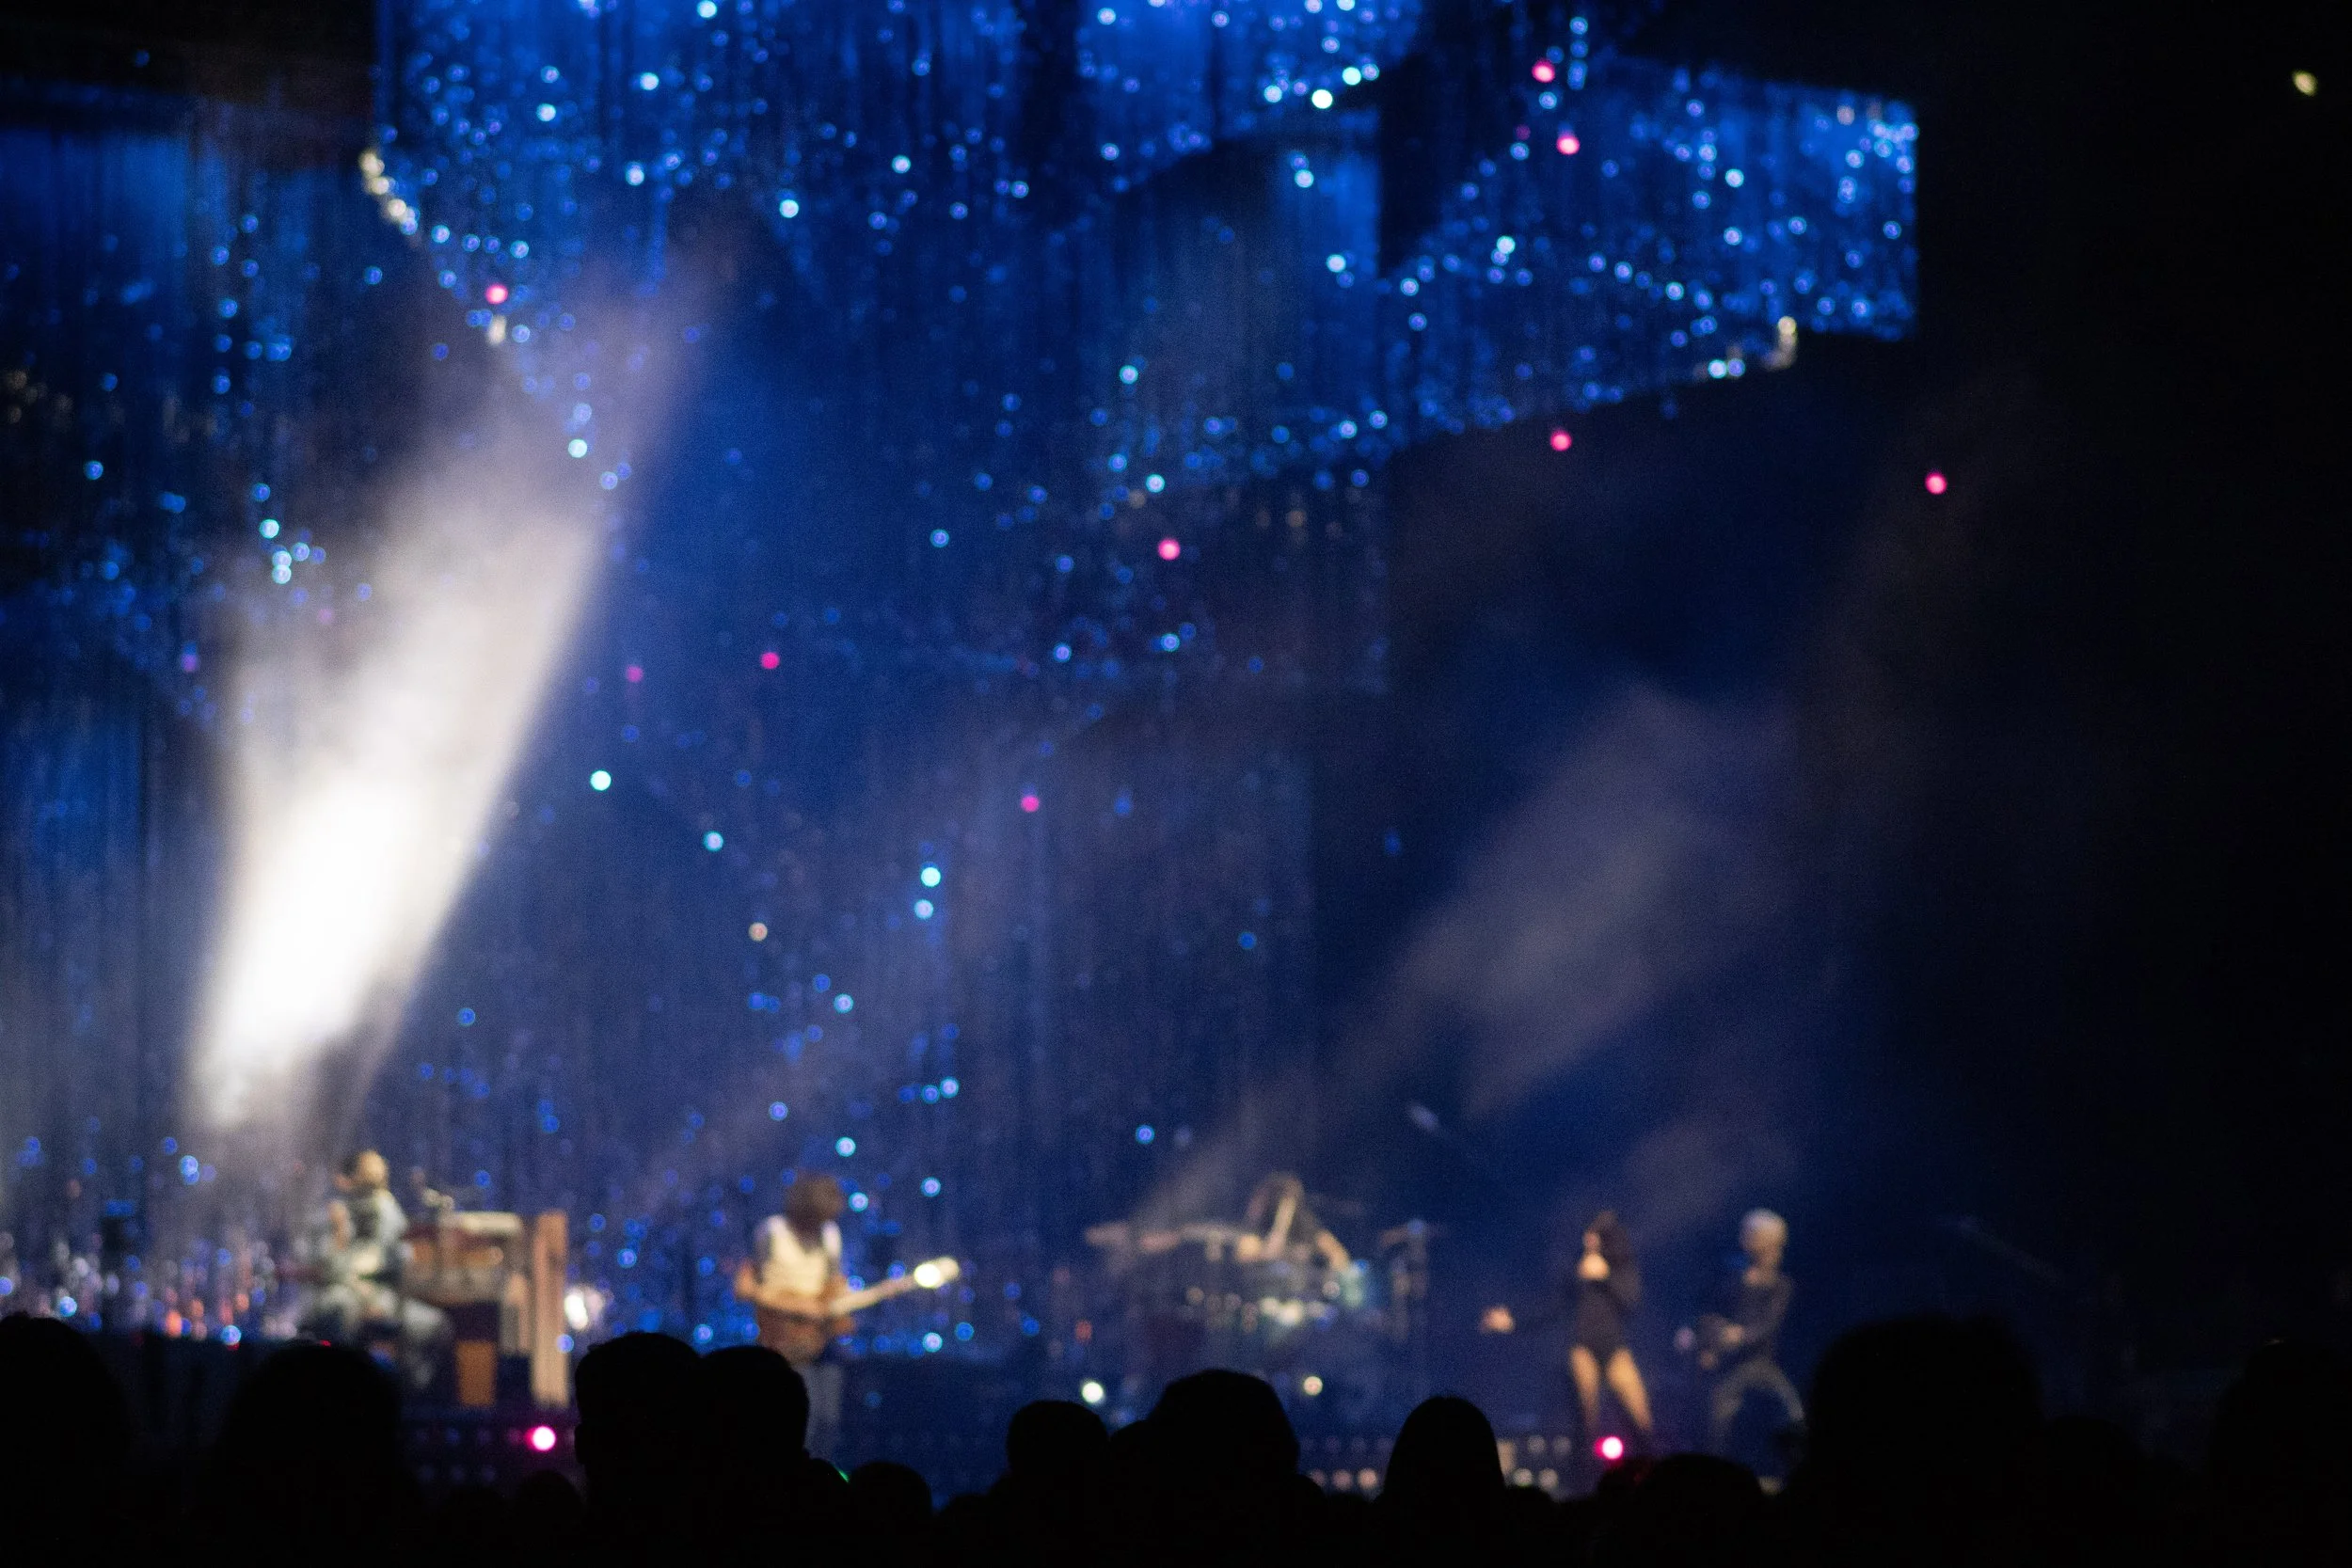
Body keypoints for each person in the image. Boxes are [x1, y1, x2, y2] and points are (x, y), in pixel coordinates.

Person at [1481, 1210, 1654, 1444]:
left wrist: (1605, 1276)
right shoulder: (1576, 1269)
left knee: (1641, 1420)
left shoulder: (1623, 1265)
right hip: (1583, 1349)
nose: (1588, 1240)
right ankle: (1585, 1475)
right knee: (1585, 1423)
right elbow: (1552, 1307)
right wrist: (1513, 1321)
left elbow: (1631, 1301)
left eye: (1594, 1234)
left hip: (1615, 1349)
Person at [299, 1149, 447, 1386]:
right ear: (349, 1177)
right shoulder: (331, 1212)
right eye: (369, 1169)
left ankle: (405, 1393)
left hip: (383, 1296)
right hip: (341, 1293)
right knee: (340, 1316)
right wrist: (338, 1235)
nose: (378, 1173)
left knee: (432, 1325)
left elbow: (395, 1258)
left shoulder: (388, 1210)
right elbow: (320, 1263)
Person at [735, 1173, 850, 1462]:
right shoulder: (772, 1232)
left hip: (820, 1336)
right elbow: (747, 1287)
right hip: (783, 1335)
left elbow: (833, 1282)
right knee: (802, 1419)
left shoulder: (831, 1234)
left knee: (828, 1420)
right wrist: (797, 1307)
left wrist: (839, 1303)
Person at [1684, 1208, 1804, 1455]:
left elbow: (1767, 1325)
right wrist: (1706, 1342)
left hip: (1761, 1364)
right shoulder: (1731, 1276)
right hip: (1730, 1364)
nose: (1744, 1240)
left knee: (1790, 1410)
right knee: (1717, 1418)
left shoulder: (1780, 1284)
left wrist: (1740, 1336)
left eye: (1751, 1234)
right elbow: (1709, 1312)